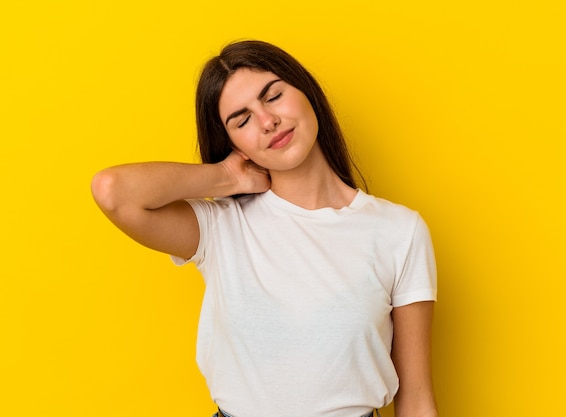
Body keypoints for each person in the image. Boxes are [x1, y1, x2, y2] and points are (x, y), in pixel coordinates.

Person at [91, 40, 438, 417]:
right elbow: (113, 192)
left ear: (305, 91)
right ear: (234, 143)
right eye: (242, 120)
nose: (267, 121)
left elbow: (416, 397)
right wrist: (224, 176)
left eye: (273, 96)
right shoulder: (221, 226)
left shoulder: (399, 231)